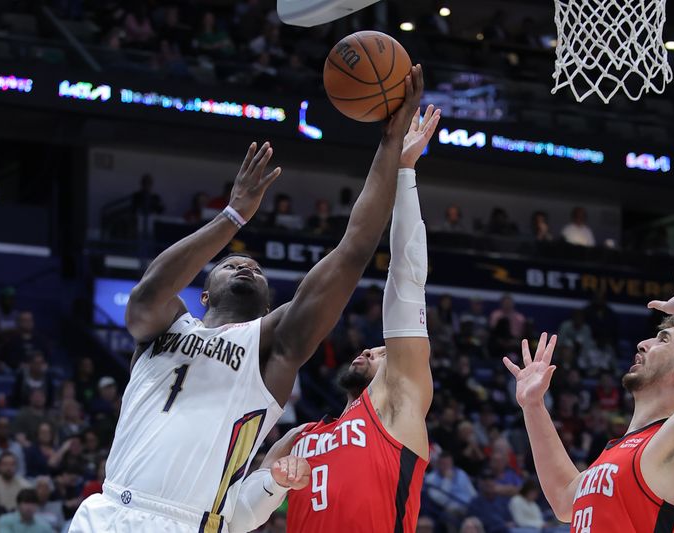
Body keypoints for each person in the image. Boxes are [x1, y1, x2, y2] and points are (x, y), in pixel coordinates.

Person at [70, 66, 425, 533]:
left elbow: (354, 248)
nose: (246, 265)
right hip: (107, 509)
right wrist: (232, 216)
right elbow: (147, 293)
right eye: (232, 262)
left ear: (266, 304)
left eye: (256, 269)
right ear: (203, 292)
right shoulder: (164, 325)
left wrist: (390, 143)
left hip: (185, 523)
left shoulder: (272, 344)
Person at [228, 103, 442, 533]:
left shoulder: (397, 405)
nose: (372, 349)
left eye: (383, 352)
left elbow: (407, 279)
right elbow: (235, 517)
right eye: (375, 348)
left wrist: (404, 174)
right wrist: (273, 482)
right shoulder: (300, 435)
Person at [503, 249, 674, 531]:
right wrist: (533, 406)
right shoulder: (617, 450)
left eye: (663, 340)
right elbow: (565, 500)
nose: (643, 343)